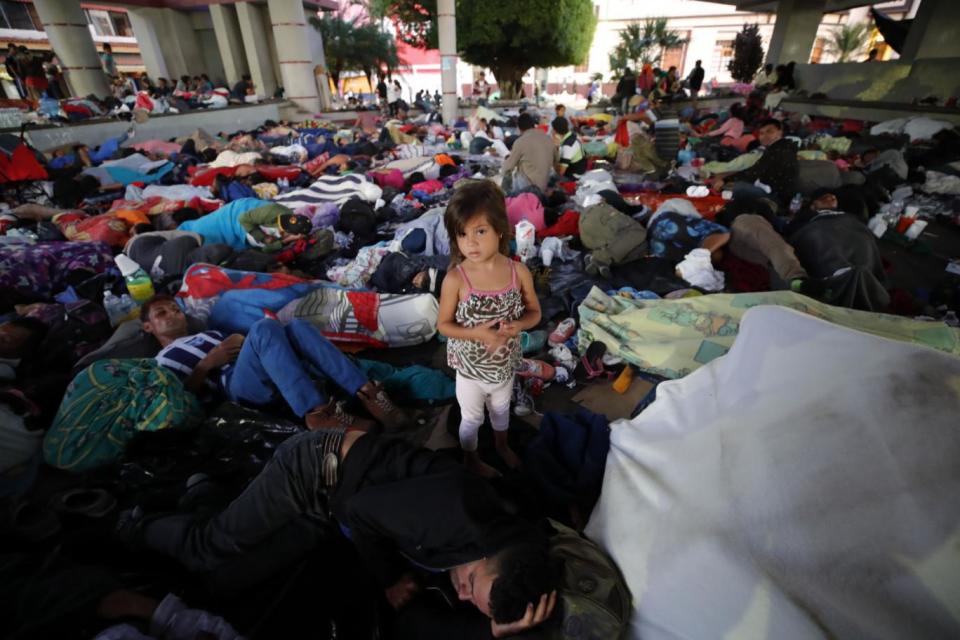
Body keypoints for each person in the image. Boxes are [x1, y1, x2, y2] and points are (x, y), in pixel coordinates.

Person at [130, 422, 558, 635]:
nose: (461, 593)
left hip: (342, 500)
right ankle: (127, 522)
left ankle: (201, 489)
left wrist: (498, 627)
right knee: (211, 549)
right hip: (315, 471)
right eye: (468, 584)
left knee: (233, 577)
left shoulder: (513, 547)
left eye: (471, 598)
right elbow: (360, 511)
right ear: (486, 556)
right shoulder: (451, 514)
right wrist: (388, 581)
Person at [138, 295, 407, 430]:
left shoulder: (207, 333)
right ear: (148, 327)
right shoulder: (161, 360)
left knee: (297, 326)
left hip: (257, 372)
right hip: (231, 394)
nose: (173, 314)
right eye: (162, 313)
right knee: (265, 327)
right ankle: (319, 414)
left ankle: (369, 394)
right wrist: (207, 363)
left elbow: (256, 348)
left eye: (175, 308)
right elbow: (177, 400)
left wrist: (238, 343)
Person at [437, 180, 541, 478]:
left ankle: (501, 445)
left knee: (501, 411)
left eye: (480, 231)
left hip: (504, 365)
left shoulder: (518, 272)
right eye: (462, 234)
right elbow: (443, 325)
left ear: (500, 230)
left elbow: (534, 312)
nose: (470, 243)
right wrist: (477, 334)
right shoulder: (456, 280)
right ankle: (471, 459)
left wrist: (519, 324)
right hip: (470, 370)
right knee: (471, 418)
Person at [711, 118, 798, 207]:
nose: (764, 136)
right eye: (761, 133)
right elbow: (755, 170)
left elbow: (752, 173)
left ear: (780, 132)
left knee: (737, 188)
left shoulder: (780, 150)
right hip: (771, 190)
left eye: (770, 131)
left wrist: (725, 180)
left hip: (776, 199)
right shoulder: (779, 147)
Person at [500, 112, 554, 193]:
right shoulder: (548, 138)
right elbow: (556, 162)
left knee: (512, 172)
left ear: (519, 128)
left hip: (530, 189)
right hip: (544, 185)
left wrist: (501, 172)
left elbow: (508, 166)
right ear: (533, 125)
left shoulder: (520, 141)